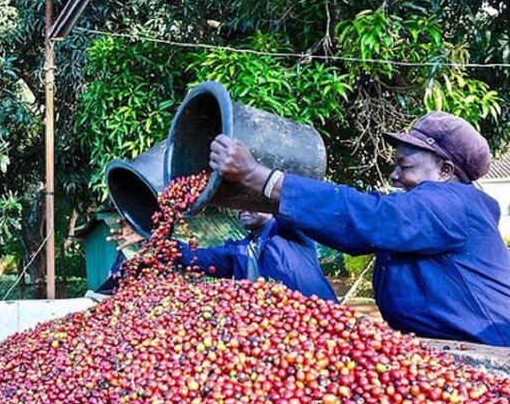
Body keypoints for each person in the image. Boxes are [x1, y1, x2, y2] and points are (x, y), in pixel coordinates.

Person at [208, 111, 510, 346]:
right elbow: (354, 225)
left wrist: (258, 176)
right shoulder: (430, 214)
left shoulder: (455, 203)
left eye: (405, 167)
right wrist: (267, 197)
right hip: (443, 348)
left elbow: (368, 217)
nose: (394, 176)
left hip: (486, 348)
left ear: (445, 171)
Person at [104, 210, 338, 302]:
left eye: (250, 200)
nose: (243, 207)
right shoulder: (239, 251)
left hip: (321, 322)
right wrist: (152, 238)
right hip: (277, 335)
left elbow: (288, 201)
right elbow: (194, 257)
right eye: (238, 203)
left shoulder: (290, 231)